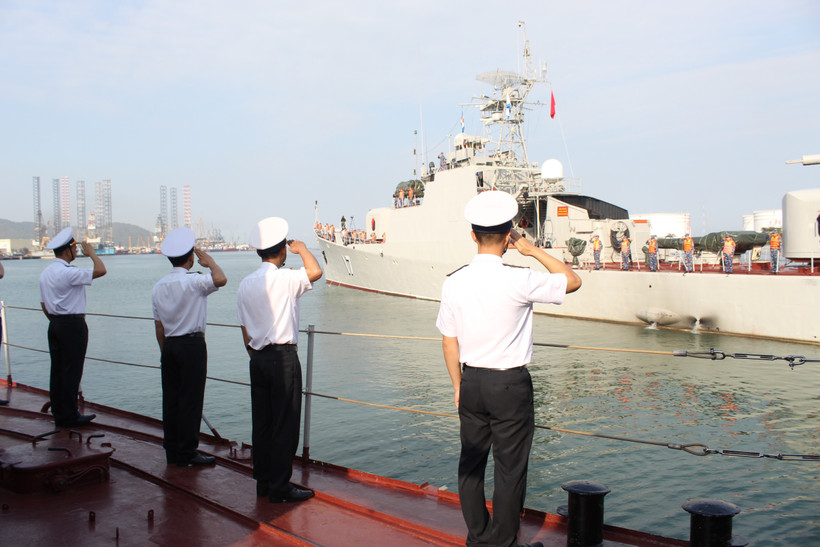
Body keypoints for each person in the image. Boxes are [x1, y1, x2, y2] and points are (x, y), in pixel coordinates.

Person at [436, 191, 581, 547]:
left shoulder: (453, 281)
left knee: (470, 465)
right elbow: (573, 280)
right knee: (510, 468)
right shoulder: (519, 278)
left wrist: (458, 385)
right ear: (508, 236)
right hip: (509, 385)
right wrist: (531, 251)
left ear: (473, 236)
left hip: (471, 381)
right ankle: (502, 541)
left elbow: (448, 341)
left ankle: (478, 537)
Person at [237, 217, 323, 503]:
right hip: (283, 359)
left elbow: (244, 327)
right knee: (285, 424)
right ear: (282, 250)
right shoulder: (286, 279)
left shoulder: (245, 284)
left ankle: (263, 482)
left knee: (262, 423)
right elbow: (315, 271)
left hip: (257, 358)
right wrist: (303, 249)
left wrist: (253, 353)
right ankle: (280, 487)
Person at [152, 227, 227, 467]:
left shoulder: (159, 286)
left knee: (171, 399)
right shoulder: (195, 281)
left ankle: (172, 450)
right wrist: (211, 262)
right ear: (191, 257)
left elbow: (159, 328)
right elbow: (221, 279)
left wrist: (165, 352)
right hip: (192, 345)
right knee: (191, 399)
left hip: (170, 345)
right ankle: (188, 451)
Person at [39, 227, 106, 427]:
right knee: (72, 370)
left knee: (58, 369)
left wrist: (56, 320)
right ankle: (70, 415)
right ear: (67, 250)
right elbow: (101, 270)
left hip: (55, 323)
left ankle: (60, 412)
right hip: (72, 324)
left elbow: (44, 304)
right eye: (75, 248)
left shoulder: (46, 273)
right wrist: (92, 254)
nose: (77, 251)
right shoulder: (68, 273)